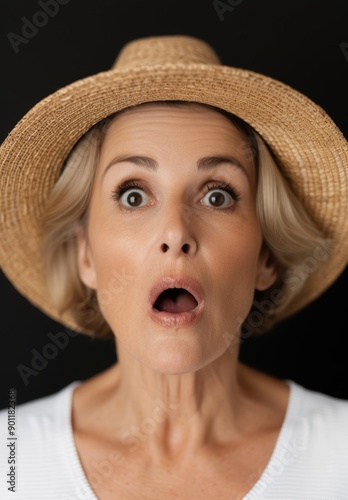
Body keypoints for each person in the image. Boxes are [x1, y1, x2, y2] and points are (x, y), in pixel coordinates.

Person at [0, 34, 347, 500]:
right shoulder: (10, 459)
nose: (176, 232)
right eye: (133, 195)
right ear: (85, 255)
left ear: (266, 258)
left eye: (217, 195)